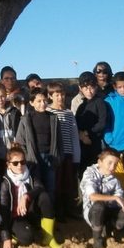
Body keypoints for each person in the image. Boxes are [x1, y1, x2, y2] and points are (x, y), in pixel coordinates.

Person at [0, 145, 61, 248]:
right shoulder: (6, 183)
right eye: (15, 163)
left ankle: (49, 237)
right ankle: (16, 235)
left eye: (22, 162)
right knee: (28, 238)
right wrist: (6, 237)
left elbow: (39, 187)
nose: (20, 165)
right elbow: (4, 210)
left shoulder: (30, 173)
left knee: (44, 196)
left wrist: (26, 196)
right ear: (8, 165)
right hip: (16, 217)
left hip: (30, 212)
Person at [80, 148, 124, 248]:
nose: (112, 167)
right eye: (109, 163)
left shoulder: (115, 179)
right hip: (93, 212)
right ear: (100, 162)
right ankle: (97, 240)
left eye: (116, 164)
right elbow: (93, 196)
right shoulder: (89, 173)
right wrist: (114, 198)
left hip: (109, 211)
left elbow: (121, 203)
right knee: (99, 206)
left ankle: (109, 227)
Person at [15, 87, 61, 203]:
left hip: (50, 157)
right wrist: (27, 157)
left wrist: (59, 157)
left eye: (45, 100)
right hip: (33, 158)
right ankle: (36, 214)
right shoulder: (26, 119)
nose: (43, 104)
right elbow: (20, 141)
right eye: (39, 101)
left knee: (50, 187)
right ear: (31, 102)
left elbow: (59, 140)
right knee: (36, 187)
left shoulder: (53, 118)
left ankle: (49, 216)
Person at [47, 80, 81, 219]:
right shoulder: (48, 111)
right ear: (50, 96)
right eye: (56, 95)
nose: (60, 97)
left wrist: (76, 156)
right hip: (55, 154)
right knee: (56, 184)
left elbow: (74, 135)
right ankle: (57, 211)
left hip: (68, 153)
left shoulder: (68, 113)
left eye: (62, 94)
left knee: (68, 183)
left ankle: (69, 210)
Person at [75, 71, 108, 172]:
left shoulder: (99, 102)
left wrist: (87, 133)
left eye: (91, 88)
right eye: (85, 88)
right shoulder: (81, 106)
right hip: (82, 144)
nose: (89, 91)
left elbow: (102, 122)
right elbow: (76, 124)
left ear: (96, 87)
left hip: (96, 142)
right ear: (81, 89)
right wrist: (81, 135)